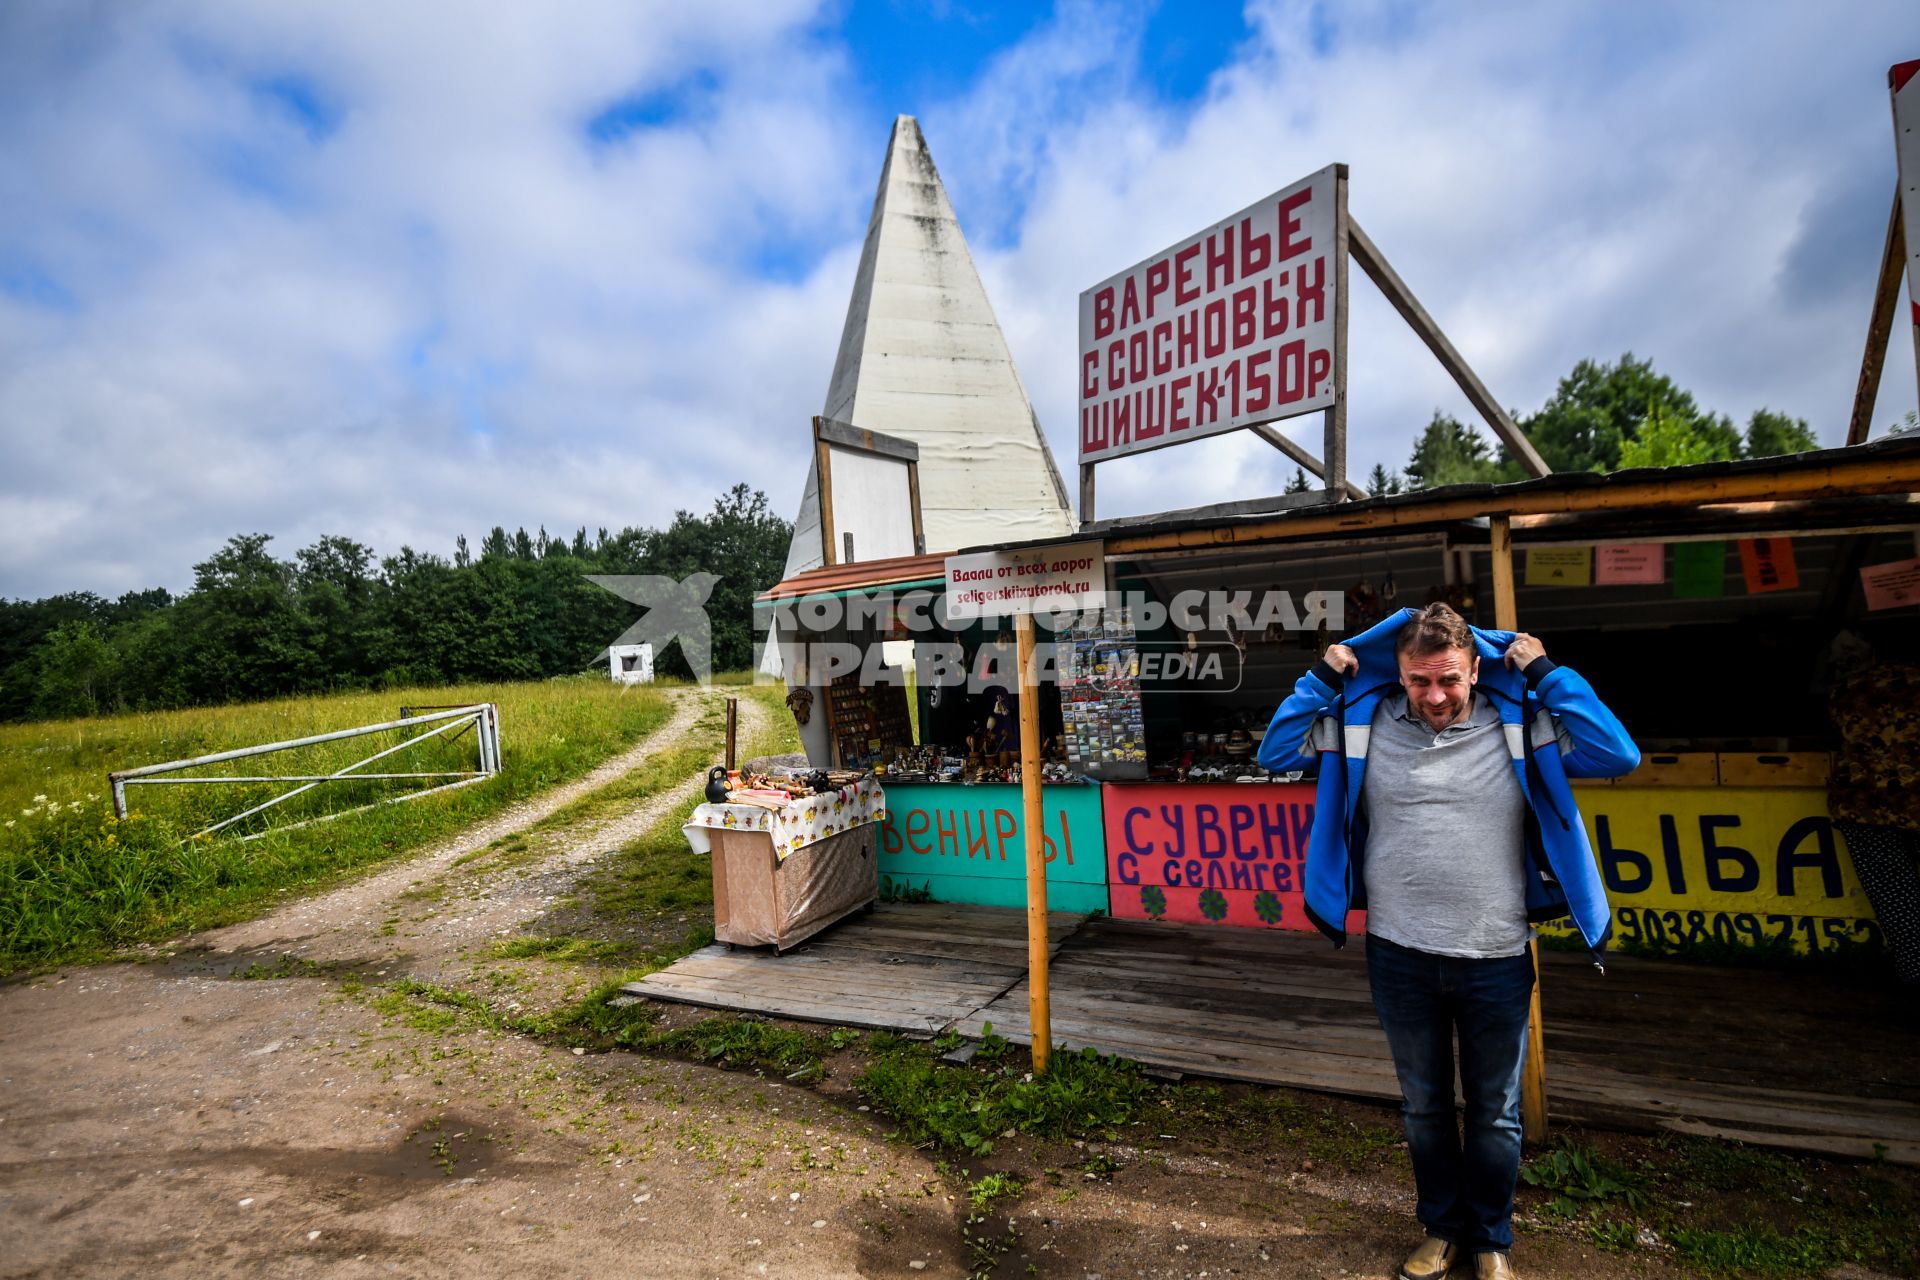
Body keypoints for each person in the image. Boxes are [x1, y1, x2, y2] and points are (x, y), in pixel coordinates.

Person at [1258, 603, 1638, 1280]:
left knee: (1494, 1114)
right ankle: (1441, 1229)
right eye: (1418, 681)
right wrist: (1320, 677)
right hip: (1398, 953)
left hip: (1495, 956)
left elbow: (1618, 753)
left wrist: (1547, 672)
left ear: (1475, 669)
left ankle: (1490, 1238)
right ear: (1399, 675)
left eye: (1450, 680)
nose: (1435, 696)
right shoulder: (1362, 722)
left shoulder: (1523, 721)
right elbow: (1276, 751)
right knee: (1425, 1107)